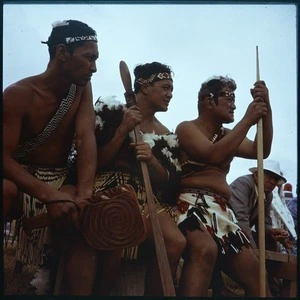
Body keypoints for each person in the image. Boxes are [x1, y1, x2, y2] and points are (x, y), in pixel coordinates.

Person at [3, 20, 98, 295]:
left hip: (58, 180)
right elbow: (3, 157)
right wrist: (47, 195)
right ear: (61, 53)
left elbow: (85, 137)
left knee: (84, 214)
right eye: (89, 58)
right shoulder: (17, 95)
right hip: (19, 178)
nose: (94, 68)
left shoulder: (80, 88)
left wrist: (85, 193)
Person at [174, 75, 273, 297]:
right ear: (208, 101)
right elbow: (212, 155)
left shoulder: (227, 135)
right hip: (189, 207)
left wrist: (266, 106)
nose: (234, 105)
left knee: (257, 276)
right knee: (204, 250)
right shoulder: (186, 129)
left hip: (222, 213)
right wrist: (248, 119)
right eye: (228, 98)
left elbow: (261, 150)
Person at [93, 62, 186, 296]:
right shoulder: (112, 112)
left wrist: (152, 160)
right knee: (120, 224)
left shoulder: (166, 133)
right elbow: (95, 161)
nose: (170, 94)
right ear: (144, 87)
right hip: (110, 187)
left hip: (147, 196)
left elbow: (168, 182)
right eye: (165, 87)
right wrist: (123, 130)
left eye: (171, 89)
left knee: (175, 241)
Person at [229, 159, 292, 251]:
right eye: (269, 177)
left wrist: (272, 231)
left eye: (276, 179)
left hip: (241, 230)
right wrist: (253, 250)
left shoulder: (268, 194)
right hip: (227, 228)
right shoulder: (243, 184)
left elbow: (264, 223)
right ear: (256, 175)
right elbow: (240, 219)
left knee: (270, 241)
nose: (273, 182)